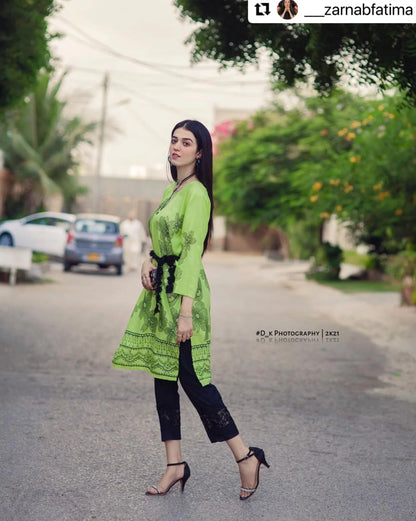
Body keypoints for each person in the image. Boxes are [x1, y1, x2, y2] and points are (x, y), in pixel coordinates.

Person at [112, 119, 269, 500]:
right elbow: (163, 244)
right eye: (174, 140)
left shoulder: (196, 193)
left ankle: (245, 455)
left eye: (187, 142)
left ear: (200, 152)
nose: (177, 147)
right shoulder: (172, 190)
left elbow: (192, 256)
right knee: (163, 378)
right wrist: (148, 262)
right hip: (161, 296)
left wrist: (185, 312)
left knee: (194, 380)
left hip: (185, 299)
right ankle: (175, 465)